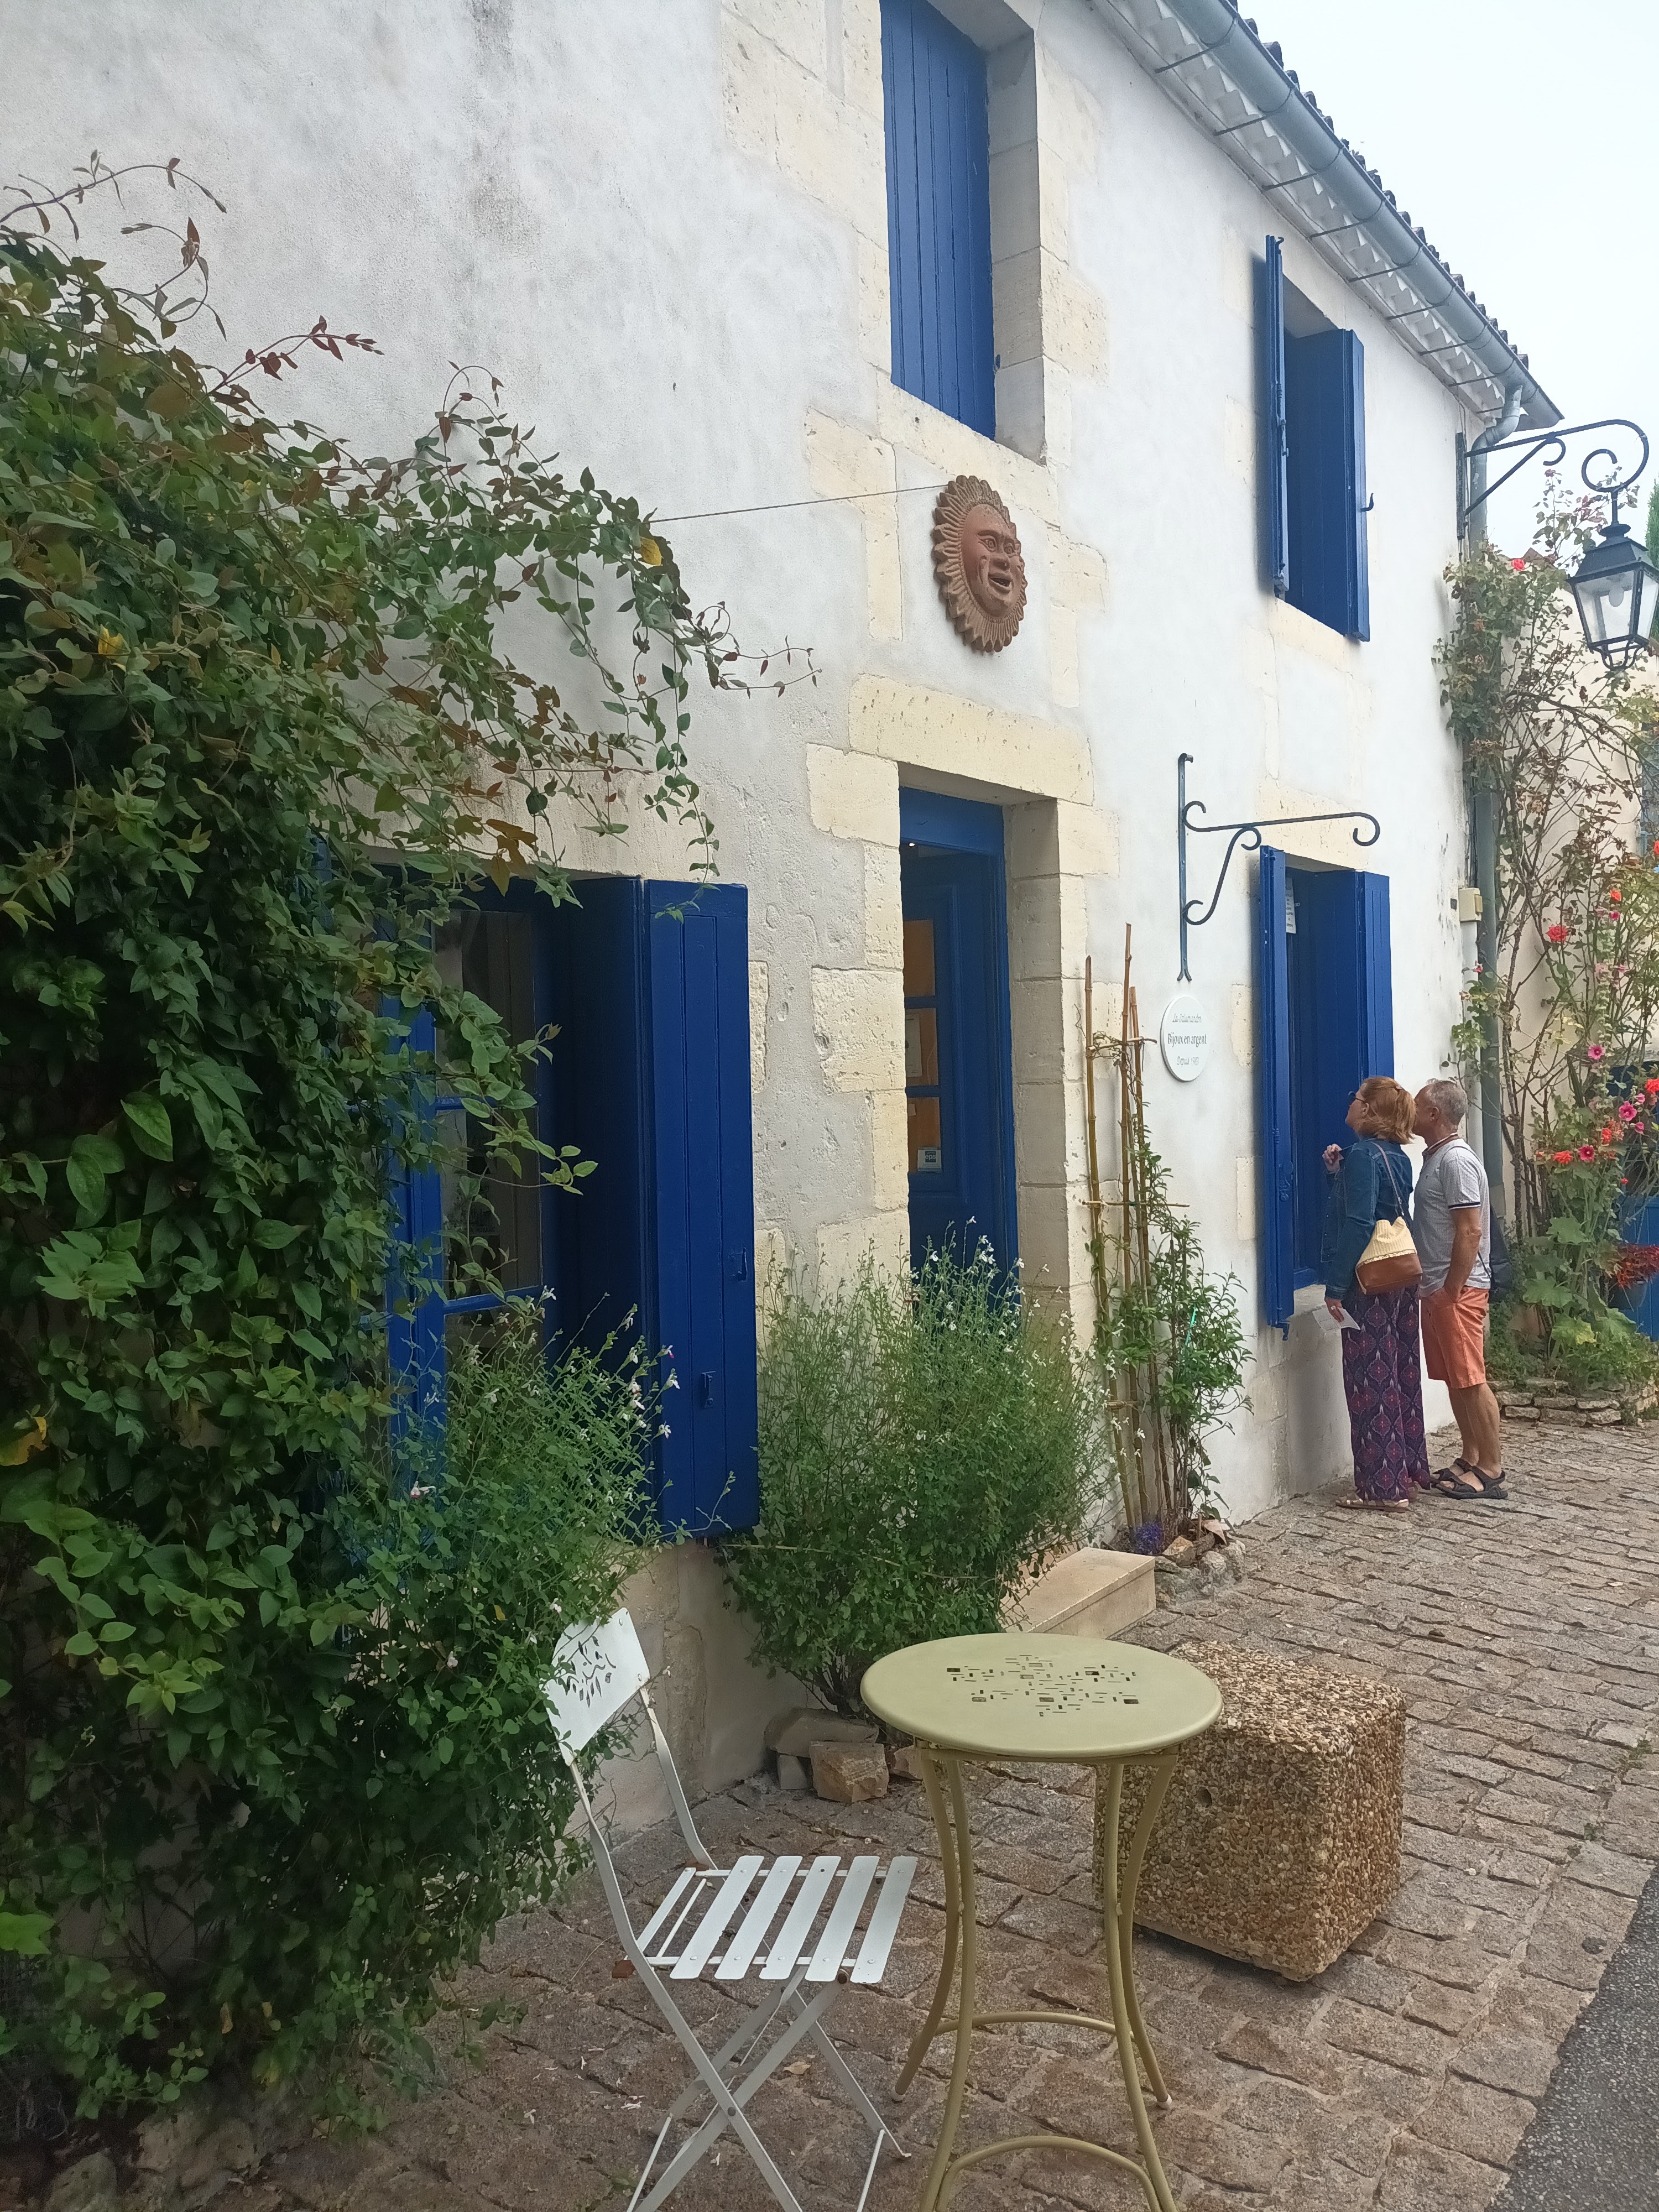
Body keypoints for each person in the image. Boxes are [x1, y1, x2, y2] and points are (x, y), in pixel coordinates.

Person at [1321, 1077, 1430, 1511]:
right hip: (1399, 1276)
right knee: (1401, 1371)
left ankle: (1383, 1488)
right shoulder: (1397, 1157)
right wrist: (1337, 1173)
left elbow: (1360, 1222)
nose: (1350, 1103)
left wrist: (1336, 1285)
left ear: (1367, 1110)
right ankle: (1407, 1471)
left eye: (1356, 1099)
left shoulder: (1365, 1155)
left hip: (1369, 1283)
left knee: (1371, 1379)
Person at [1412, 1078, 1505, 1501]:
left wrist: (1452, 1289)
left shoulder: (1455, 1161)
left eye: (1417, 1105)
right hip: (1438, 1288)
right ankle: (1471, 1457)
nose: (1410, 1111)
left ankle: (1491, 1468)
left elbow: (1470, 1231)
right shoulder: (1438, 1157)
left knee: (1470, 1378)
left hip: (1458, 1290)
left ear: (1434, 1114)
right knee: (1455, 1378)